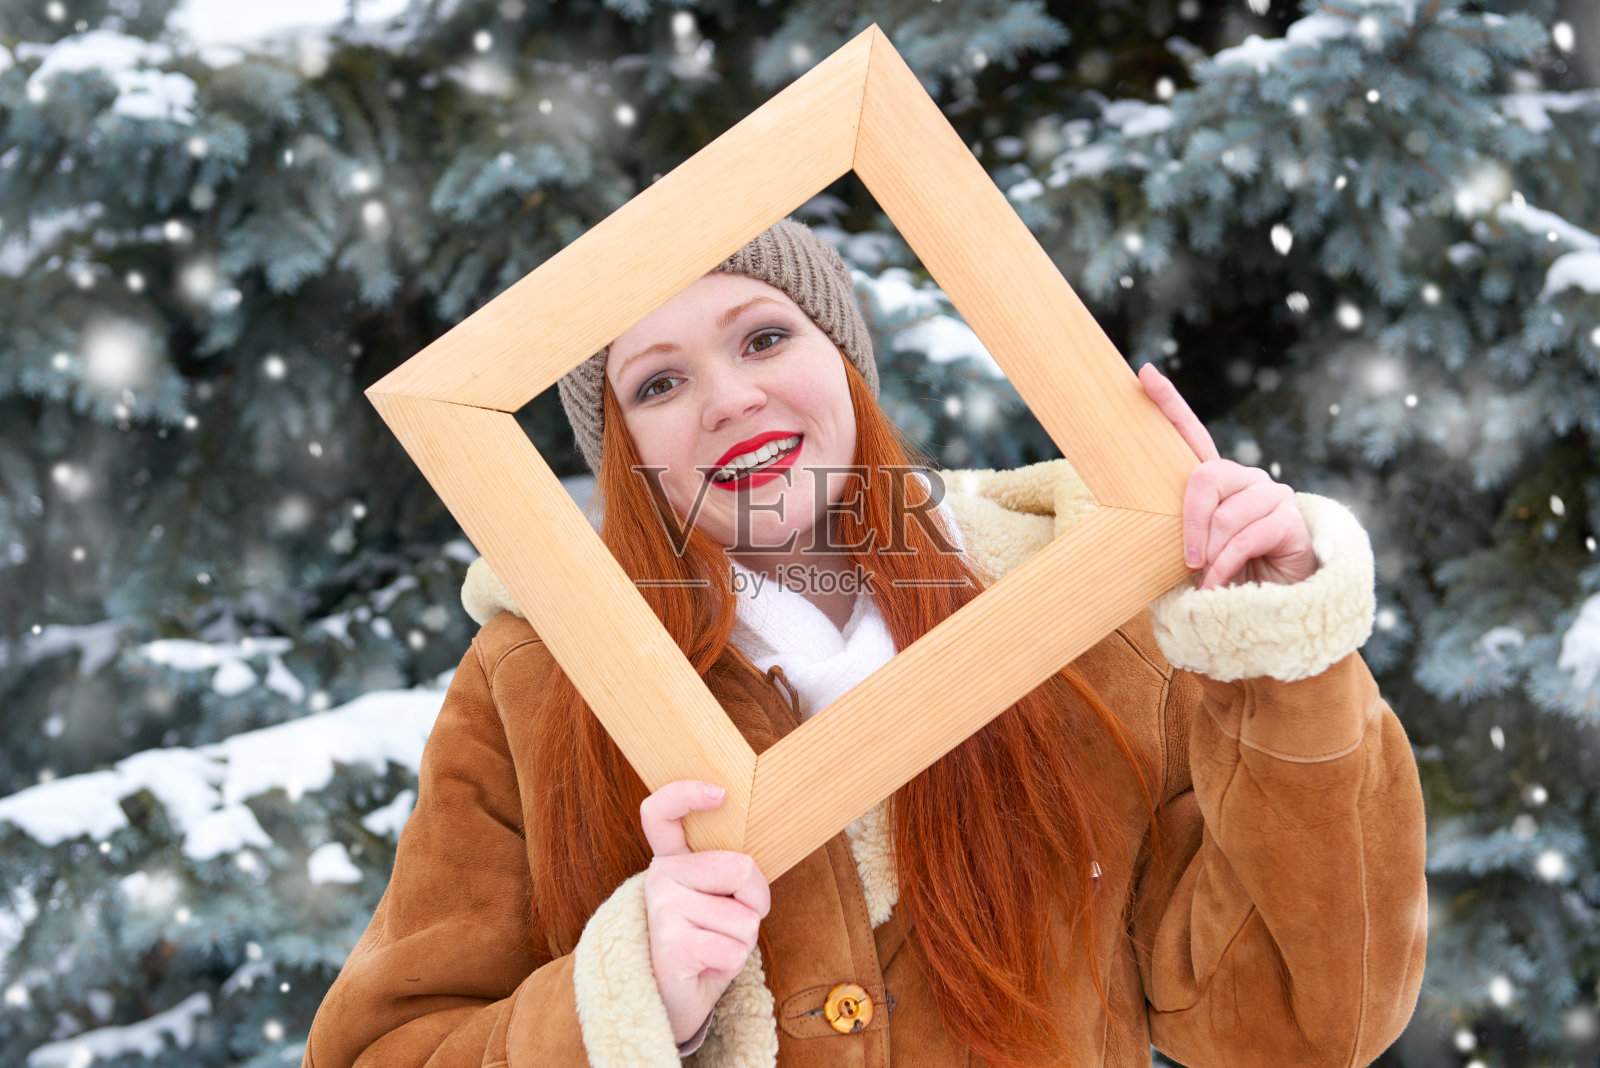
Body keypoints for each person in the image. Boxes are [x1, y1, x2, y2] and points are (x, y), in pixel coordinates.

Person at [302, 219, 1427, 1068]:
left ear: (842, 357)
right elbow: (381, 1052)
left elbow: (1299, 1020)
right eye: (656, 382)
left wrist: (1281, 654)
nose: (730, 399)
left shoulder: (1076, 606)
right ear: (623, 454)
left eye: (763, 335)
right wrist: (625, 996)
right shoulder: (540, 679)